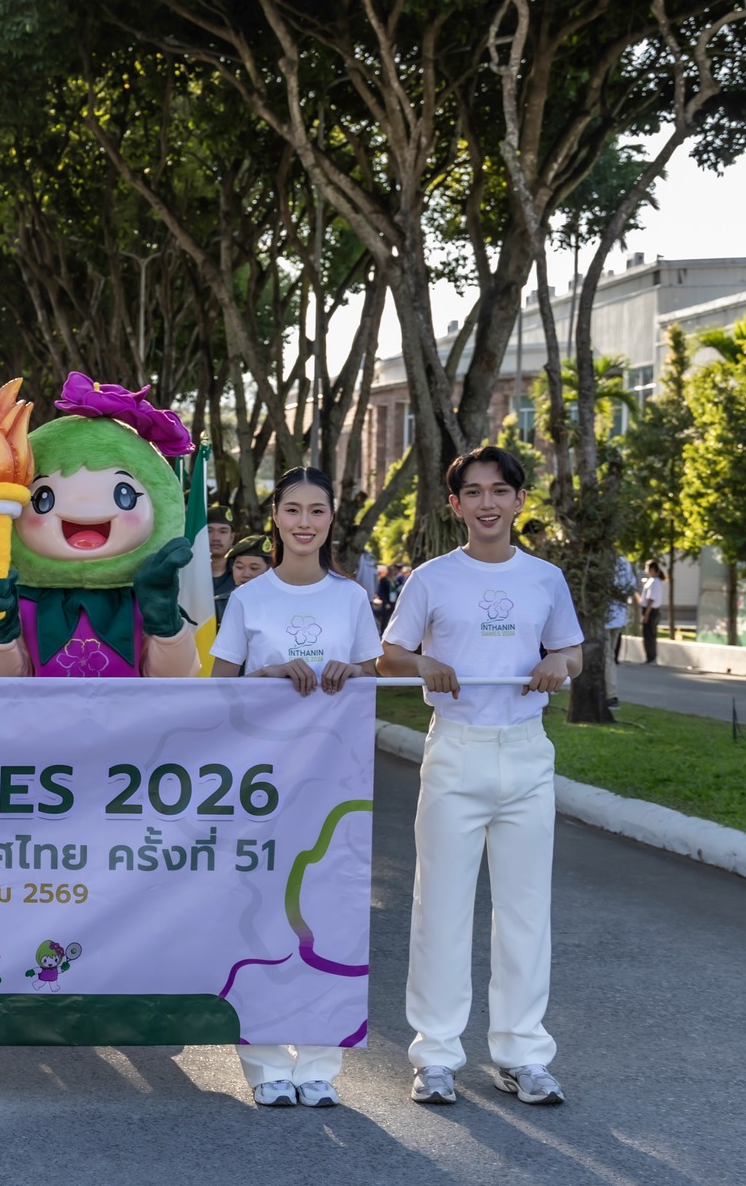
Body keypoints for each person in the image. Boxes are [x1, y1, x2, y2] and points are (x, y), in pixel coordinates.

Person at [378, 445, 582, 1109]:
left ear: (520, 500)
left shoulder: (545, 578)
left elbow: (572, 649)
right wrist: (423, 665)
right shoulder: (431, 578)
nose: (487, 502)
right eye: (474, 491)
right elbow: (390, 654)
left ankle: (523, 1055)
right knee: (440, 906)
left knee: (525, 910)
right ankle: (436, 1056)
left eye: (499, 490)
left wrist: (560, 665)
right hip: (456, 749)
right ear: (455, 504)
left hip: (526, 751)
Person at [210, 467, 379, 1107]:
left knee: (328, 910)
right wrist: (267, 676)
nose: (304, 522)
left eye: (317, 510)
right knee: (257, 912)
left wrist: (352, 671)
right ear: (275, 517)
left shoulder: (351, 599)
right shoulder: (249, 598)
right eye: (292, 510)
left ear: (331, 518)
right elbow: (219, 688)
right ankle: (263, 1064)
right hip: (259, 779)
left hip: (335, 782)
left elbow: (371, 675)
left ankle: (319, 1065)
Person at [0, 372, 198, 678]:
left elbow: (173, 678)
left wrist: (166, 625)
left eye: (124, 494)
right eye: (43, 498)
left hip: (129, 711)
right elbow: (4, 681)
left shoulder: (144, 600)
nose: (86, 510)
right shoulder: (20, 603)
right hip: (44, 711)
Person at [211, 532, 273, 629]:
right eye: (239, 567)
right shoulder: (218, 605)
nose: (245, 574)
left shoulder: (281, 603)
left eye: (254, 568)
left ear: (269, 570)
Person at [605, 553, 636, 708]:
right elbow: (631, 586)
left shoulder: (605, 560)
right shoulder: (624, 562)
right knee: (610, 656)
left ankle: (610, 694)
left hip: (605, 616)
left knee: (607, 657)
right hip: (618, 615)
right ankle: (610, 693)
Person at [640, 560, 666, 663]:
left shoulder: (655, 582)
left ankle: (651, 657)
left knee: (649, 635)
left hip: (651, 611)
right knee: (650, 634)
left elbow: (651, 599)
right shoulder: (653, 581)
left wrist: (646, 615)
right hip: (652, 610)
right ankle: (650, 656)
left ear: (652, 569)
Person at [206, 504, 235, 588]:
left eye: (223, 532)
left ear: (232, 537)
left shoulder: (240, 573)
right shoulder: (189, 572)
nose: (216, 538)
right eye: (209, 531)